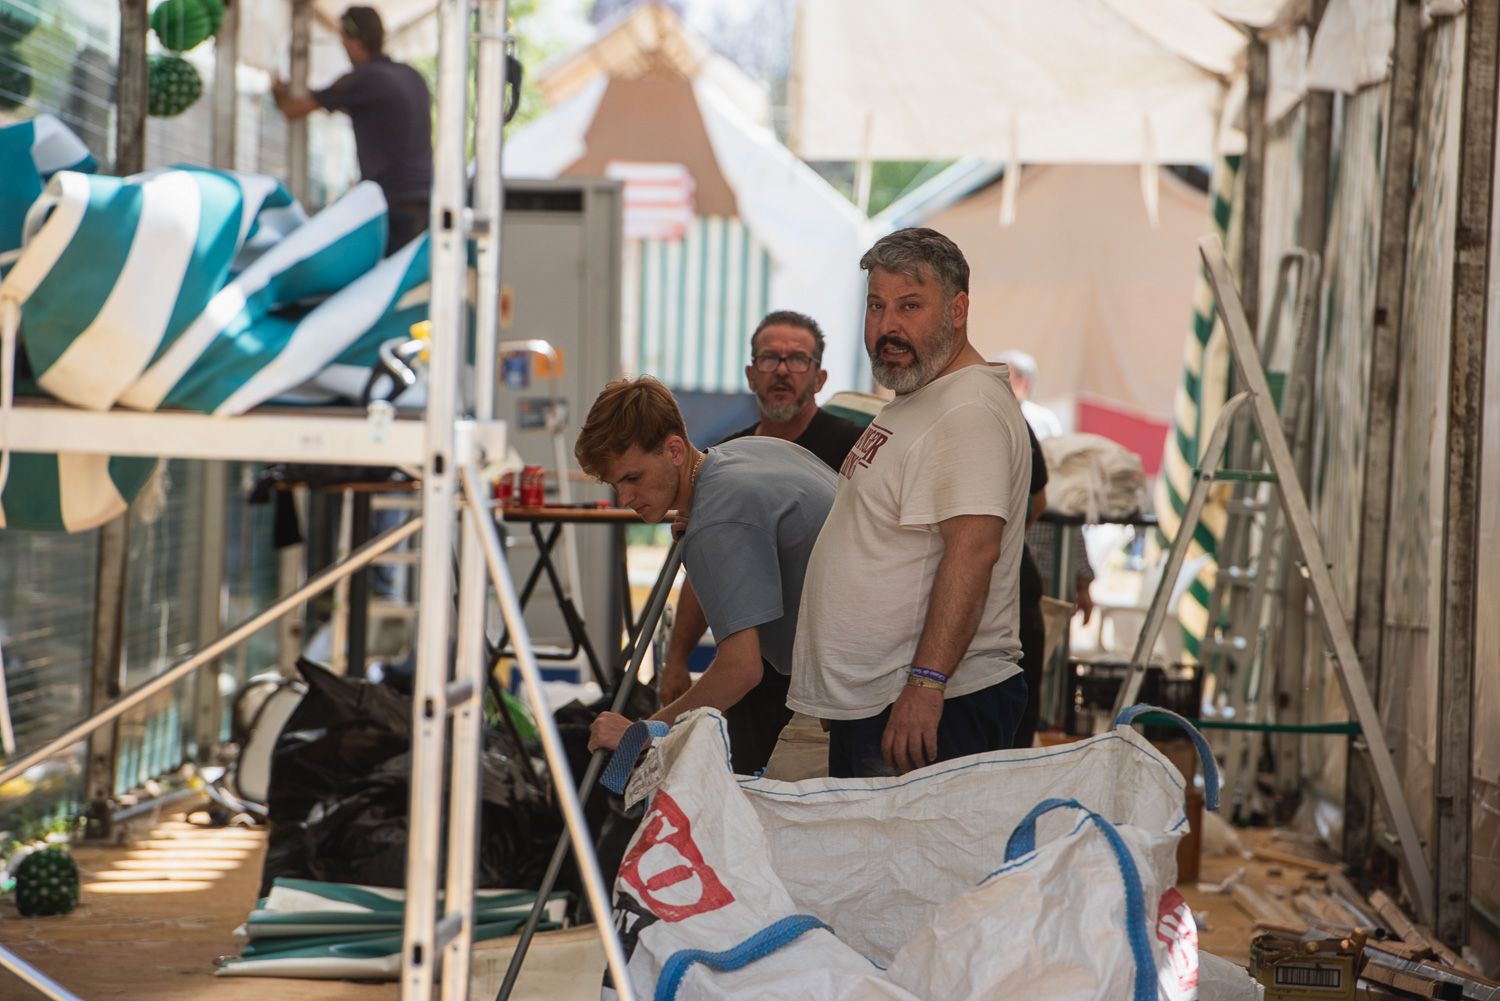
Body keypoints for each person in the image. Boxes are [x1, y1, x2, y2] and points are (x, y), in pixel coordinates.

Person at [790, 227, 1032, 778]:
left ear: (959, 308)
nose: (887, 327)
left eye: (910, 306)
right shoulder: (921, 398)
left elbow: (973, 551)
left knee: (900, 866)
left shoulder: (967, 411)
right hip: (888, 704)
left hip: (935, 707)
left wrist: (926, 685)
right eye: (877, 306)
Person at [576, 377, 836, 775]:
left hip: (860, 691)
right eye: (615, 484)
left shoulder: (717, 519)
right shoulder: (743, 453)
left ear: (675, 450)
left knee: (763, 824)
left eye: (632, 478)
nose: (624, 499)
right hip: (880, 662)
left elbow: (742, 668)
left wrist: (642, 734)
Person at [655, 311, 864, 757]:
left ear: (820, 376)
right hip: (755, 668)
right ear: (751, 374)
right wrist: (677, 659)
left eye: (797, 359)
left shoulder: (855, 449)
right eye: (770, 359)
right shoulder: (726, 459)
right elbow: (710, 563)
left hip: (830, 669)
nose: (783, 370)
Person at [272, 6, 433, 255]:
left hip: (392, 205)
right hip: (428, 201)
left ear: (355, 42)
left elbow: (293, 109)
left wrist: (277, 86)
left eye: (343, 42)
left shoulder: (364, 79)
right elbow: (371, 112)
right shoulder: (412, 77)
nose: (344, 49)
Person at [996, 349, 1096, 626]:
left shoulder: (1039, 423)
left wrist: (1082, 579)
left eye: (1004, 375)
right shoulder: (992, 416)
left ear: (1023, 383)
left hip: (1037, 556)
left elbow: (1058, 493)